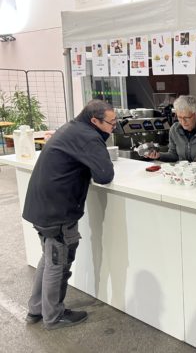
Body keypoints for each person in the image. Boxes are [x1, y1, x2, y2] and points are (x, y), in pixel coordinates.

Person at [23, 99, 115, 330]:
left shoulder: (71, 128)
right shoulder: (88, 136)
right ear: (94, 120)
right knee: (58, 262)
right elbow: (104, 175)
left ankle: (37, 309)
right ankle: (53, 316)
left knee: (48, 257)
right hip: (58, 211)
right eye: (111, 123)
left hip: (41, 206)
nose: (114, 127)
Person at [146, 95, 196, 168]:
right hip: (182, 174)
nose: (183, 122)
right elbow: (173, 155)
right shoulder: (174, 130)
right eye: (179, 117)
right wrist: (159, 155)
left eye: (187, 118)